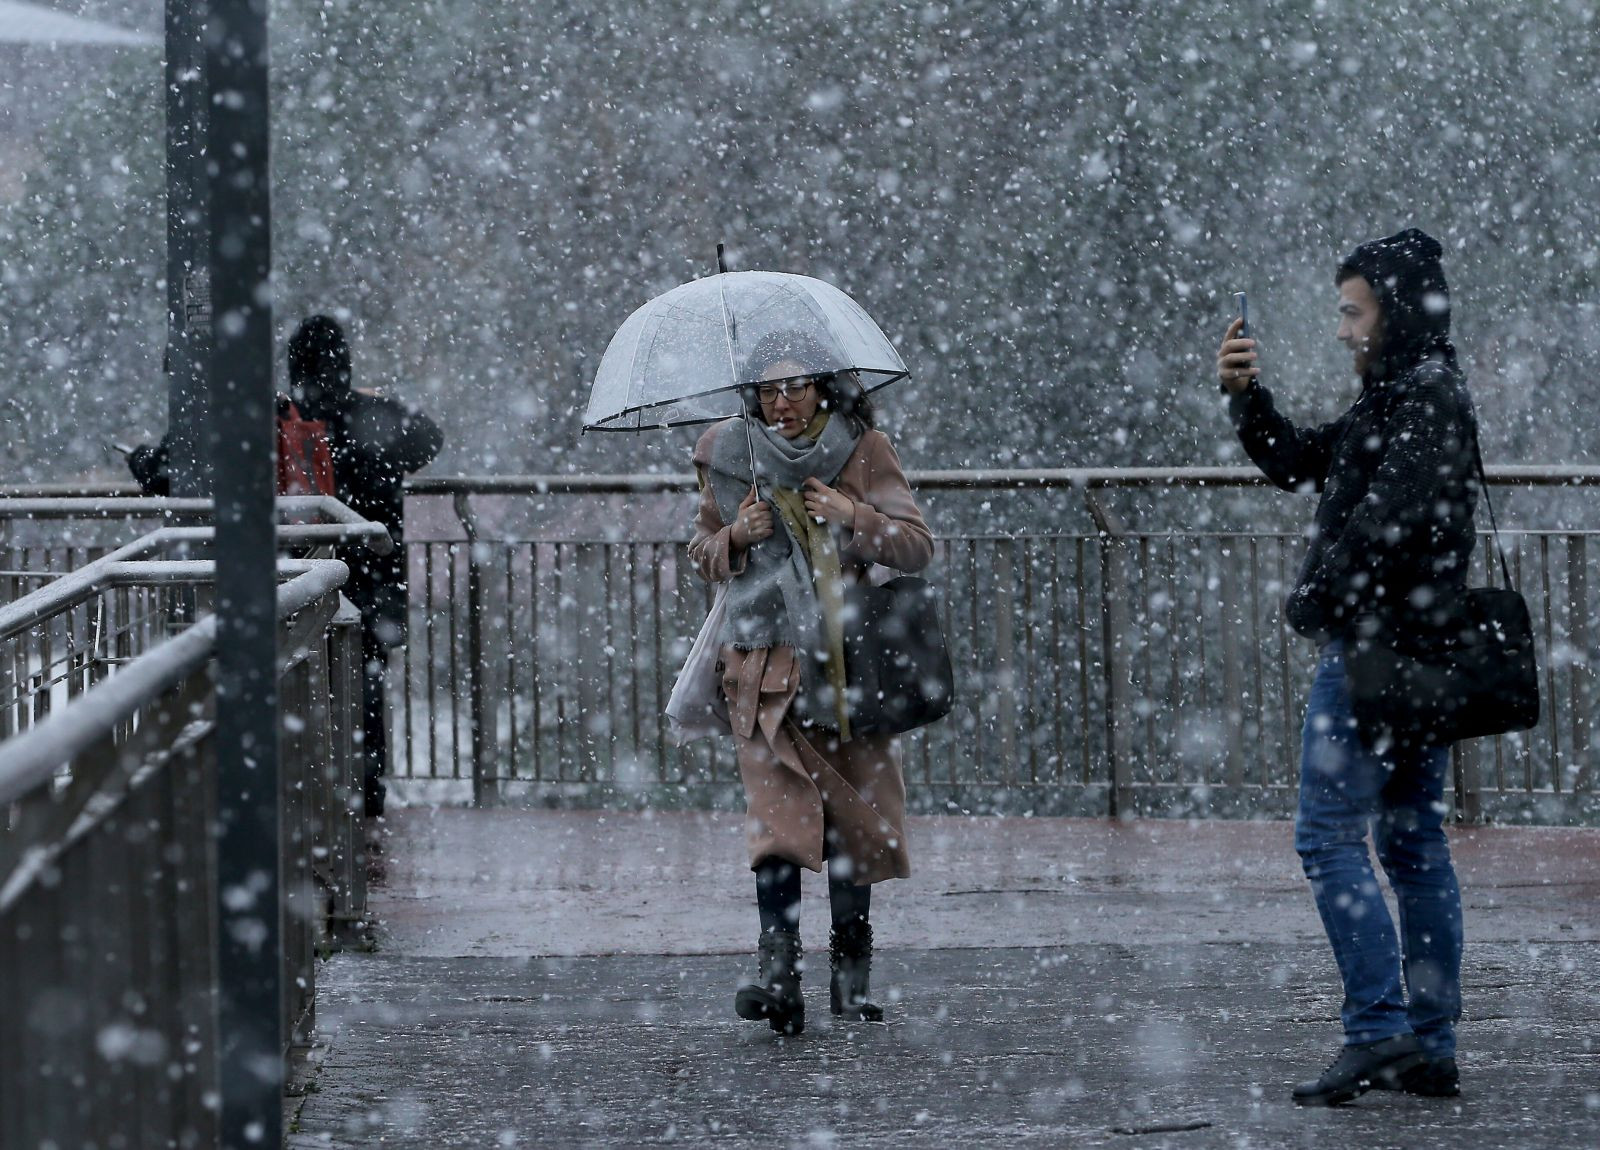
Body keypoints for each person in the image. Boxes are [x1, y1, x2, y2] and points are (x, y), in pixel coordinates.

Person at [1217, 228, 1475, 1105]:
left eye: (1352, 311)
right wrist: (1249, 398)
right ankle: (1428, 1044)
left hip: (1377, 653)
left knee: (1330, 839)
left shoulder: (1424, 399)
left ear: (1394, 312)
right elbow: (1298, 461)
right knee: (1412, 842)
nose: (1342, 329)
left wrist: (1314, 598)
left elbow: (1385, 526)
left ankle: (1379, 1028)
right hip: (1425, 652)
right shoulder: (1411, 393)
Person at [687, 330, 933, 1035]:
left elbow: (917, 546)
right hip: (761, 666)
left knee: (855, 820)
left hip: (851, 661)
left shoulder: (862, 449)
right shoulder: (728, 455)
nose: (782, 403)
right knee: (778, 825)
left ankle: (850, 981)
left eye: (795, 387)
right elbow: (700, 553)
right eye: (767, 390)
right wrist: (736, 534)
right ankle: (779, 979)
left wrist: (853, 517)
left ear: (825, 387)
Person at [128, 315, 443, 818]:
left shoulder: (278, 416)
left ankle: (302, 797)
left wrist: (141, 459)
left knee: (297, 687)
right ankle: (364, 798)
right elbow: (430, 440)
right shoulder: (376, 416)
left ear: (294, 364)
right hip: (374, 581)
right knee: (364, 694)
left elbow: (168, 468)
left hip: (299, 578)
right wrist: (376, 400)